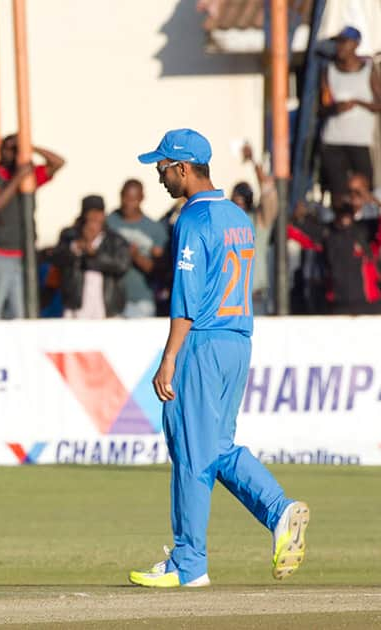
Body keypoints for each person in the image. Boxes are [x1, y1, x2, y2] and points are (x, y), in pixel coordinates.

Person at [130, 128, 309, 588]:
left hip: (203, 343)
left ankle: (190, 562)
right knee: (215, 447)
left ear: (185, 169)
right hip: (238, 339)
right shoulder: (237, 216)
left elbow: (187, 296)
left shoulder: (191, 219)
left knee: (192, 450)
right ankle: (278, 510)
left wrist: (170, 356)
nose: (160, 175)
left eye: (164, 167)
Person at [0, 134, 64, 319]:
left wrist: (31, 147)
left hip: (24, 257)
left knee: (21, 315)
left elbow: (58, 163)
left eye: (17, 149)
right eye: (9, 149)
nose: (12, 154)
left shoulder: (27, 177)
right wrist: (17, 179)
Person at [319, 26, 381, 200]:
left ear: (355, 45)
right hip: (333, 140)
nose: (339, 47)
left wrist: (358, 102)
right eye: (338, 43)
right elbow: (322, 106)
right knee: (338, 192)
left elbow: (379, 104)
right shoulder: (329, 71)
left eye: (343, 43)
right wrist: (335, 108)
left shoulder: (368, 70)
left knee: (363, 189)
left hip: (359, 141)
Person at [52, 194, 131, 319]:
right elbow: (56, 258)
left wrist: (95, 255)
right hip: (76, 306)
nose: (95, 218)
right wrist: (76, 247)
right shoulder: (69, 236)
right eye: (91, 214)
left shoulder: (115, 240)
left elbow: (122, 265)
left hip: (106, 307)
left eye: (98, 213)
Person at [230, 143, 278, 315]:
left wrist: (254, 162)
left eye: (242, 203)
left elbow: (268, 191)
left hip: (254, 298)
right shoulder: (225, 223)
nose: (239, 208)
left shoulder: (259, 221)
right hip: (229, 300)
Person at [106, 179, 166, 317]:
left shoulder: (154, 228)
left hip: (141, 300)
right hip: (112, 299)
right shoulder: (109, 222)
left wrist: (135, 255)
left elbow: (158, 270)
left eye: (133, 199)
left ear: (141, 198)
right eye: (125, 198)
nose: (128, 203)